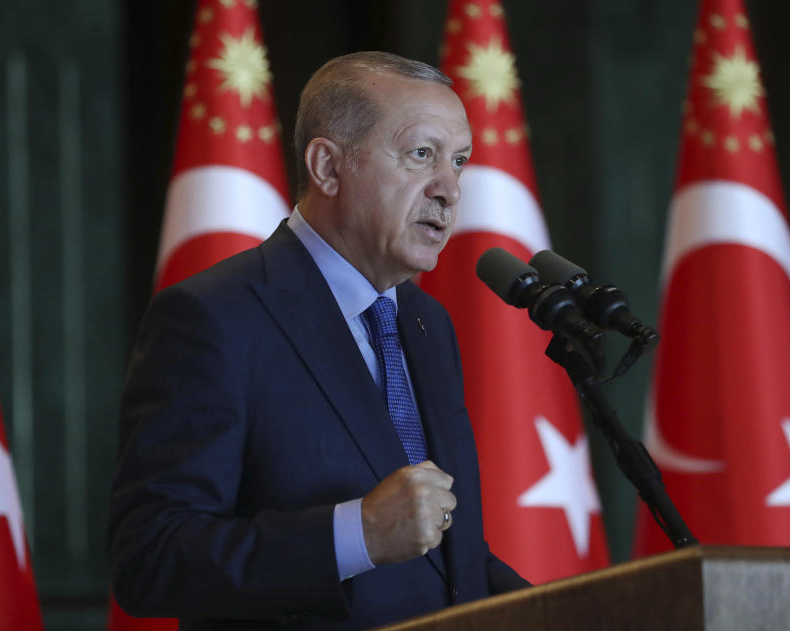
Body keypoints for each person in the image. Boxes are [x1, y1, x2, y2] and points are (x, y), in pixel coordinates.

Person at [108, 51, 529, 630]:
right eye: (421, 155)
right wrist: (355, 534)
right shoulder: (215, 317)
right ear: (328, 166)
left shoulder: (427, 324)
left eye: (459, 161)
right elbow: (150, 558)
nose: (450, 190)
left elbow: (444, 554)